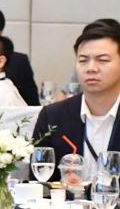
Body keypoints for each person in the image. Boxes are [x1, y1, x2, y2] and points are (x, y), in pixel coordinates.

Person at [33, 20, 120, 172]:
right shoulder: (52, 116)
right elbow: (39, 179)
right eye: (83, 60)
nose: (91, 68)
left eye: (103, 60)